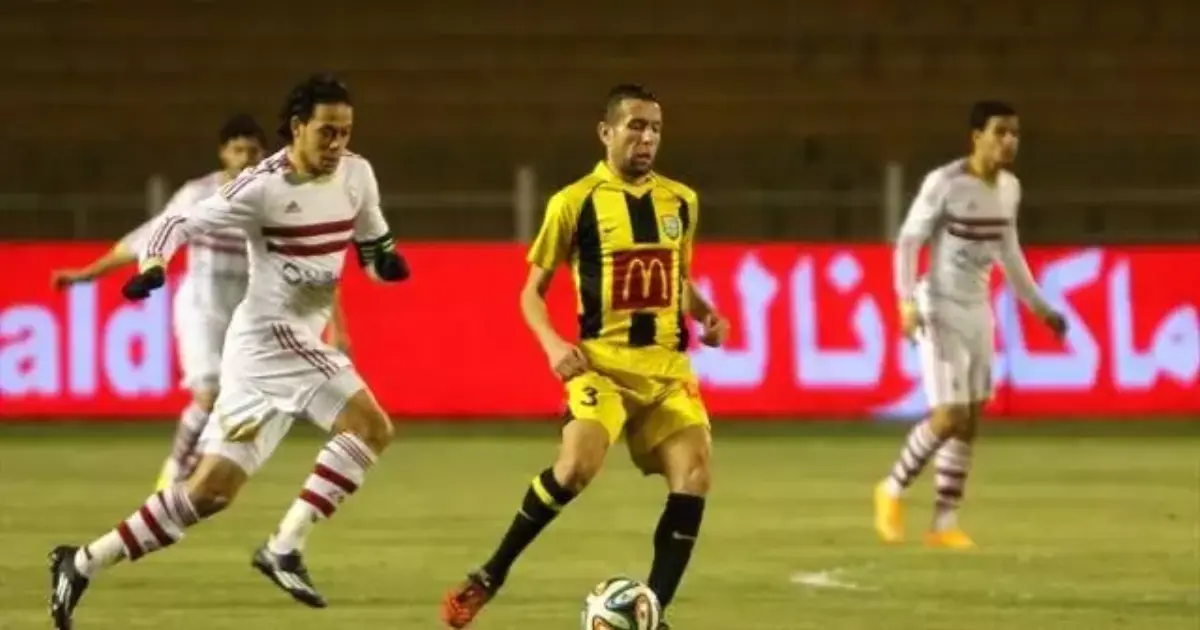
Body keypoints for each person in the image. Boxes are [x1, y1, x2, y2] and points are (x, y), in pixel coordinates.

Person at [48, 74, 409, 630]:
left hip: (270, 350)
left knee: (210, 493)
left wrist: (384, 263)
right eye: (326, 132)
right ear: (297, 128)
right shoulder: (261, 187)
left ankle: (81, 562)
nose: (337, 143)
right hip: (271, 336)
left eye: (345, 132)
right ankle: (284, 547)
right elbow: (176, 221)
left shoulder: (357, 173)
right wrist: (154, 265)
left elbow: (374, 240)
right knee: (370, 426)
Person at [440, 84, 728, 630]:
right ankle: (491, 574)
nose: (647, 138)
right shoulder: (574, 203)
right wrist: (553, 344)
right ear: (606, 132)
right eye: (636, 126)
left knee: (695, 474)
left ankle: (653, 614)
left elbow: (677, 277)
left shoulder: (681, 201)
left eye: (655, 128)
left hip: (667, 372)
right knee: (575, 468)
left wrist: (706, 313)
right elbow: (531, 292)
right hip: (602, 367)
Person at [48, 114, 325, 490]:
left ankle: (193, 471)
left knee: (240, 405)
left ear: (263, 155)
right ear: (223, 153)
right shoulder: (199, 195)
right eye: (238, 150)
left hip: (246, 311)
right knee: (208, 395)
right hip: (202, 308)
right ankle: (175, 472)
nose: (245, 158)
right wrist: (88, 274)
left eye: (252, 151)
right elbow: (148, 238)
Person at [875, 100, 1067, 548]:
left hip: (978, 309)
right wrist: (905, 301)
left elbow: (1009, 253)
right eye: (1000, 132)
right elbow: (909, 241)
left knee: (972, 416)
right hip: (939, 305)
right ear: (976, 136)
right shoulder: (945, 183)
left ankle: (944, 523)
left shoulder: (1010, 189)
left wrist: (1040, 308)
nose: (1009, 141)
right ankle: (891, 489)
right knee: (950, 414)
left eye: (1015, 133)